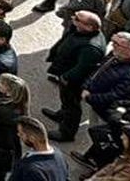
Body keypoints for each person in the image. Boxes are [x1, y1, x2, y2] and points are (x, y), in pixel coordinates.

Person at [42, 10, 105, 142]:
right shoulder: (80, 31)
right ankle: (61, 115)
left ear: (89, 27)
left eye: (77, 19)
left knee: (72, 105)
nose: (73, 18)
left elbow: (81, 69)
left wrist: (65, 77)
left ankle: (67, 133)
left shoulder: (91, 47)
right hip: (65, 72)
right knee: (66, 101)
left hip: (72, 81)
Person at [9, 116, 69, 181]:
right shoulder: (59, 155)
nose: (18, 135)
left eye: (21, 134)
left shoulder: (31, 170)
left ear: (32, 138)